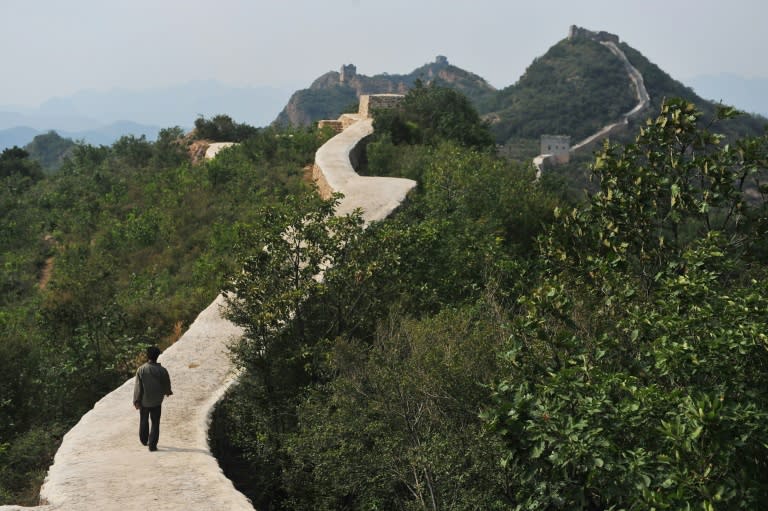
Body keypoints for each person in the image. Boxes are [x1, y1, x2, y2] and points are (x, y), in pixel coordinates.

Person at [132, 346, 172, 451]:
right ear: (157, 356)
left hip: (144, 401)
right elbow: (166, 384)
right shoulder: (162, 370)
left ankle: (144, 440)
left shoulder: (141, 369)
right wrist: (168, 392)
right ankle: (152, 445)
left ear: (147, 356)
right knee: (155, 422)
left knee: (144, 420)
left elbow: (138, 387)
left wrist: (136, 400)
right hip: (157, 401)